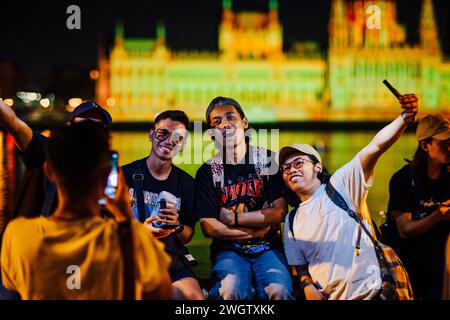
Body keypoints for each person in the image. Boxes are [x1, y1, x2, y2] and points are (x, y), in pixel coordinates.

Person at [0, 121, 172, 299]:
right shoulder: (127, 239)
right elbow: (162, 292)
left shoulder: (19, 235)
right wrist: (125, 215)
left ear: (49, 171)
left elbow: (11, 284)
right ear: (107, 175)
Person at [281, 94, 419, 300]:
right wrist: (308, 287)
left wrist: (404, 118)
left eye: (298, 163)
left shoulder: (341, 185)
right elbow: (299, 268)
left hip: (373, 293)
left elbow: (375, 147)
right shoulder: (291, 221)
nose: (291, 169)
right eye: (285, 168)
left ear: (318, 167)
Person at [195, 96, 294, 300]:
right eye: (217, 122)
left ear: (244, 123)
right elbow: (209, 227)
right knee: (230, 291)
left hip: (268, 248)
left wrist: (232, 220)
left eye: (231, 117)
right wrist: (256, 229)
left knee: (279, 291)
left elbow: (279, 212)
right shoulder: (208, 171)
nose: (225, 124)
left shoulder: (267, 160)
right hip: (228, 251)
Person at [122, 110, 204, 300]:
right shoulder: (124, 175)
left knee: (194, 298)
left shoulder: (187, 184)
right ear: (151, 134)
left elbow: (187, 236)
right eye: (162, 133)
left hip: (170, 259)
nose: (169, 141)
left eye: (178, 138)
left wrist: (177, 226)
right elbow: (107, 229)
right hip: (131, 258)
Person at [0, 98, 112, 218]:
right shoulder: (49, 151)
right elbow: (14, 123)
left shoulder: (110, 175)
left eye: (98, 127)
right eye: (85, 125)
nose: (90, 133)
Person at [387, 114, 449, 300]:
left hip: (442, 263)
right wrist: (438, 215)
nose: (449, 147)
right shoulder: (403, 180)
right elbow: (405, 230)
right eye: (444, 143)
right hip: (410, 264)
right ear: (425, 145)